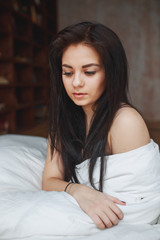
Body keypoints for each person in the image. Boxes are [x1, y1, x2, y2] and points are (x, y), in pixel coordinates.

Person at [42, 21, 151, 230]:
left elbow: (137, 209)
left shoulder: (125, 122)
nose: (76, 83)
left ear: (111, 73)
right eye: (67, 72)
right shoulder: (63, 118)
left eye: (89, 72)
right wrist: (79, 191)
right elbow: (49, 180)